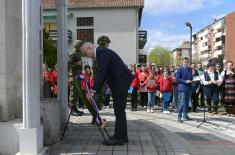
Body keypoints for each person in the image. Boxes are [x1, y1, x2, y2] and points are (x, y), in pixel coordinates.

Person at [79, 38, 133, 146]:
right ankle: (122, 136)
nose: (86, 56)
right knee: (120, 111)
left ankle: (119, 138)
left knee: (119, 111)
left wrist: (93, 91)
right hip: (120, 82)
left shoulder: (102, 53)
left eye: (85, 53)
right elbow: (103, 74)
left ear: (89, 48)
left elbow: (101, 73)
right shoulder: (101, 53)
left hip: (120, 82)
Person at [68, 40, 85, 116]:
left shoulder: (78, 53)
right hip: (73, 76)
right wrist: (77, 63)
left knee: (76, 92)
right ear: (77, 45)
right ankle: (72, 109)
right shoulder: (73, 53)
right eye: (81, 45)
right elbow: (68, 64)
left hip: (77, 76)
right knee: (73, 93)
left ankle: (75, 108)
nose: (82, 47)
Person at [176, 57, 193, 122]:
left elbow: (191, 77)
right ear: (182, 62)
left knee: (186, 103)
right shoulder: (179, 69)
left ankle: (185, 115)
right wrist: (185, 81)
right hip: (182, 88)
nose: (186, 63)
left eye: (187, 62)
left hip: (189, 88)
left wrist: (192, 80)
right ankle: (179, 116)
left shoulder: (190, 69)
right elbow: (177, 78)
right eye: (185, 61)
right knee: (182, 103)